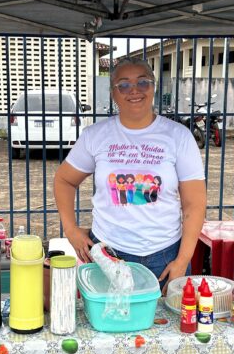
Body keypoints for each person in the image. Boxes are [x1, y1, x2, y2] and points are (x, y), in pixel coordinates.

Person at [53, 56, 206, 288]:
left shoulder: (178, 136)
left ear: (153, 87)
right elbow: (64, 180)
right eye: (123, 84)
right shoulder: (96, 135)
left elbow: (194, 203)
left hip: (165, 257)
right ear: (114, 93)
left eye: (143, 82)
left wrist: (182, 259)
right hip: (108, 255)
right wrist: (71, 229)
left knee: (167, 322)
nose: (134, 90)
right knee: (107, 322)